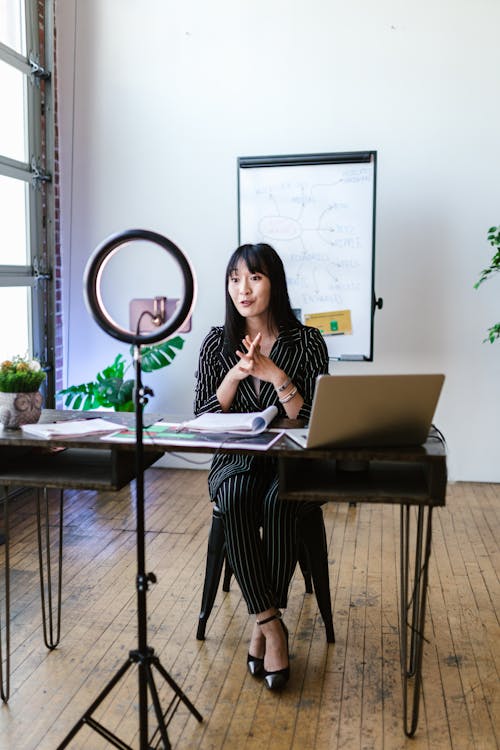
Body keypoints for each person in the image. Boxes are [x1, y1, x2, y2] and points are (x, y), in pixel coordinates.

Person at [194, 243, 329, 690]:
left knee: (279, 498)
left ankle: (259, 622)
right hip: (235, 459)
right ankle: (272, 625)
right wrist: (236, 374)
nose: (243, 288)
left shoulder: (307, 340)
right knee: (234, 494)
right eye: (234, 278)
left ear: (275, 282)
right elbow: (204, 417)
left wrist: (273, 374)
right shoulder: (217, 342)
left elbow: (312, 420)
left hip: (291, 462)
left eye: (254, 277)